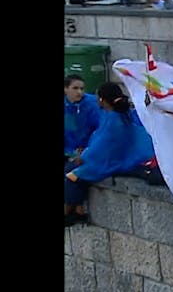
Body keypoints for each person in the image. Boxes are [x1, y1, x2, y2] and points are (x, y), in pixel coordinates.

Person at [64, 82, 155, 227]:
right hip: (113, 157)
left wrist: (84, 157)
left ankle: (70, 212)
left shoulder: (114, 119)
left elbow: (102, 145)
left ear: (101, 99)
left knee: (72, 173)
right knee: (73, 169)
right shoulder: (118, 115)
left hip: (116, 160)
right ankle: (78, 209)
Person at [64, 75, 102, 164]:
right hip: (69, 152)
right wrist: (71, 152)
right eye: (75, 88)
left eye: (82, 88)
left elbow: (99, 130)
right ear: (65, 89)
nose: (79, 92)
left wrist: (88, 149)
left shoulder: (92, 104)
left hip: (89, 151)